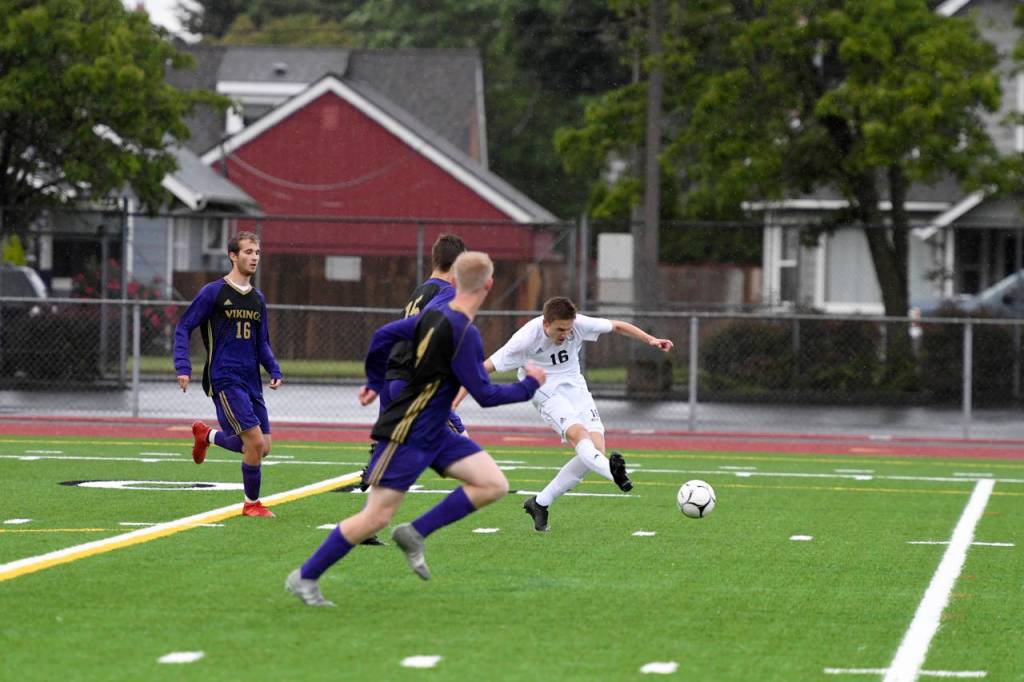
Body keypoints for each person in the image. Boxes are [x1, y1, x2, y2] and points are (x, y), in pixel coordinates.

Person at [286, 251, 546, 607]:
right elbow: (485, 395)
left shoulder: (436, 315)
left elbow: (383, 335)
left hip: (435, 430)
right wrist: (531, 385)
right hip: (407, 430)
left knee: (493, 484)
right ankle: (305, 576)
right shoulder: (464, 333)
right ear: (489, 284)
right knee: (375, 516)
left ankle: (416, 532)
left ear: (453, 280)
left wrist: (375, 381)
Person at [457, 296, 673, 532]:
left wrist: (651, 340)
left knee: (596, 449)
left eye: (569, 329)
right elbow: (481, 370)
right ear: (546, 324)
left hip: (574, 385)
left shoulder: (577, 324)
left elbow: (618, 326)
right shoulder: (525, 339)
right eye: (560, 329)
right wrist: (452, 404)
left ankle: (540, 503)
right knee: (578, 435)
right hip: (543, 388)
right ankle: (615, 475)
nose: (565, 334)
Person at [358, 233, 467, 545]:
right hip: (412, 381)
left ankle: (368, 519)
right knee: (463, 448)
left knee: (393, 451)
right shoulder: (446, 293)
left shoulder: (419, 291)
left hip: (394, 375)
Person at [173, 231, 282, 518]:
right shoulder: (214, 292)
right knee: (255, 443)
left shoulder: (258, 298)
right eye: (248, 252)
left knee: (263, 447)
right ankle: (251, 505)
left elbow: (262, 342)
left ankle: (206, 435)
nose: (254, 257)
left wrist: (273, 368)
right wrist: (183, 366)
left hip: (250, 380)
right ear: (233, 255)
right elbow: (184, 326)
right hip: (224, 377)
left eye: (257, 252)